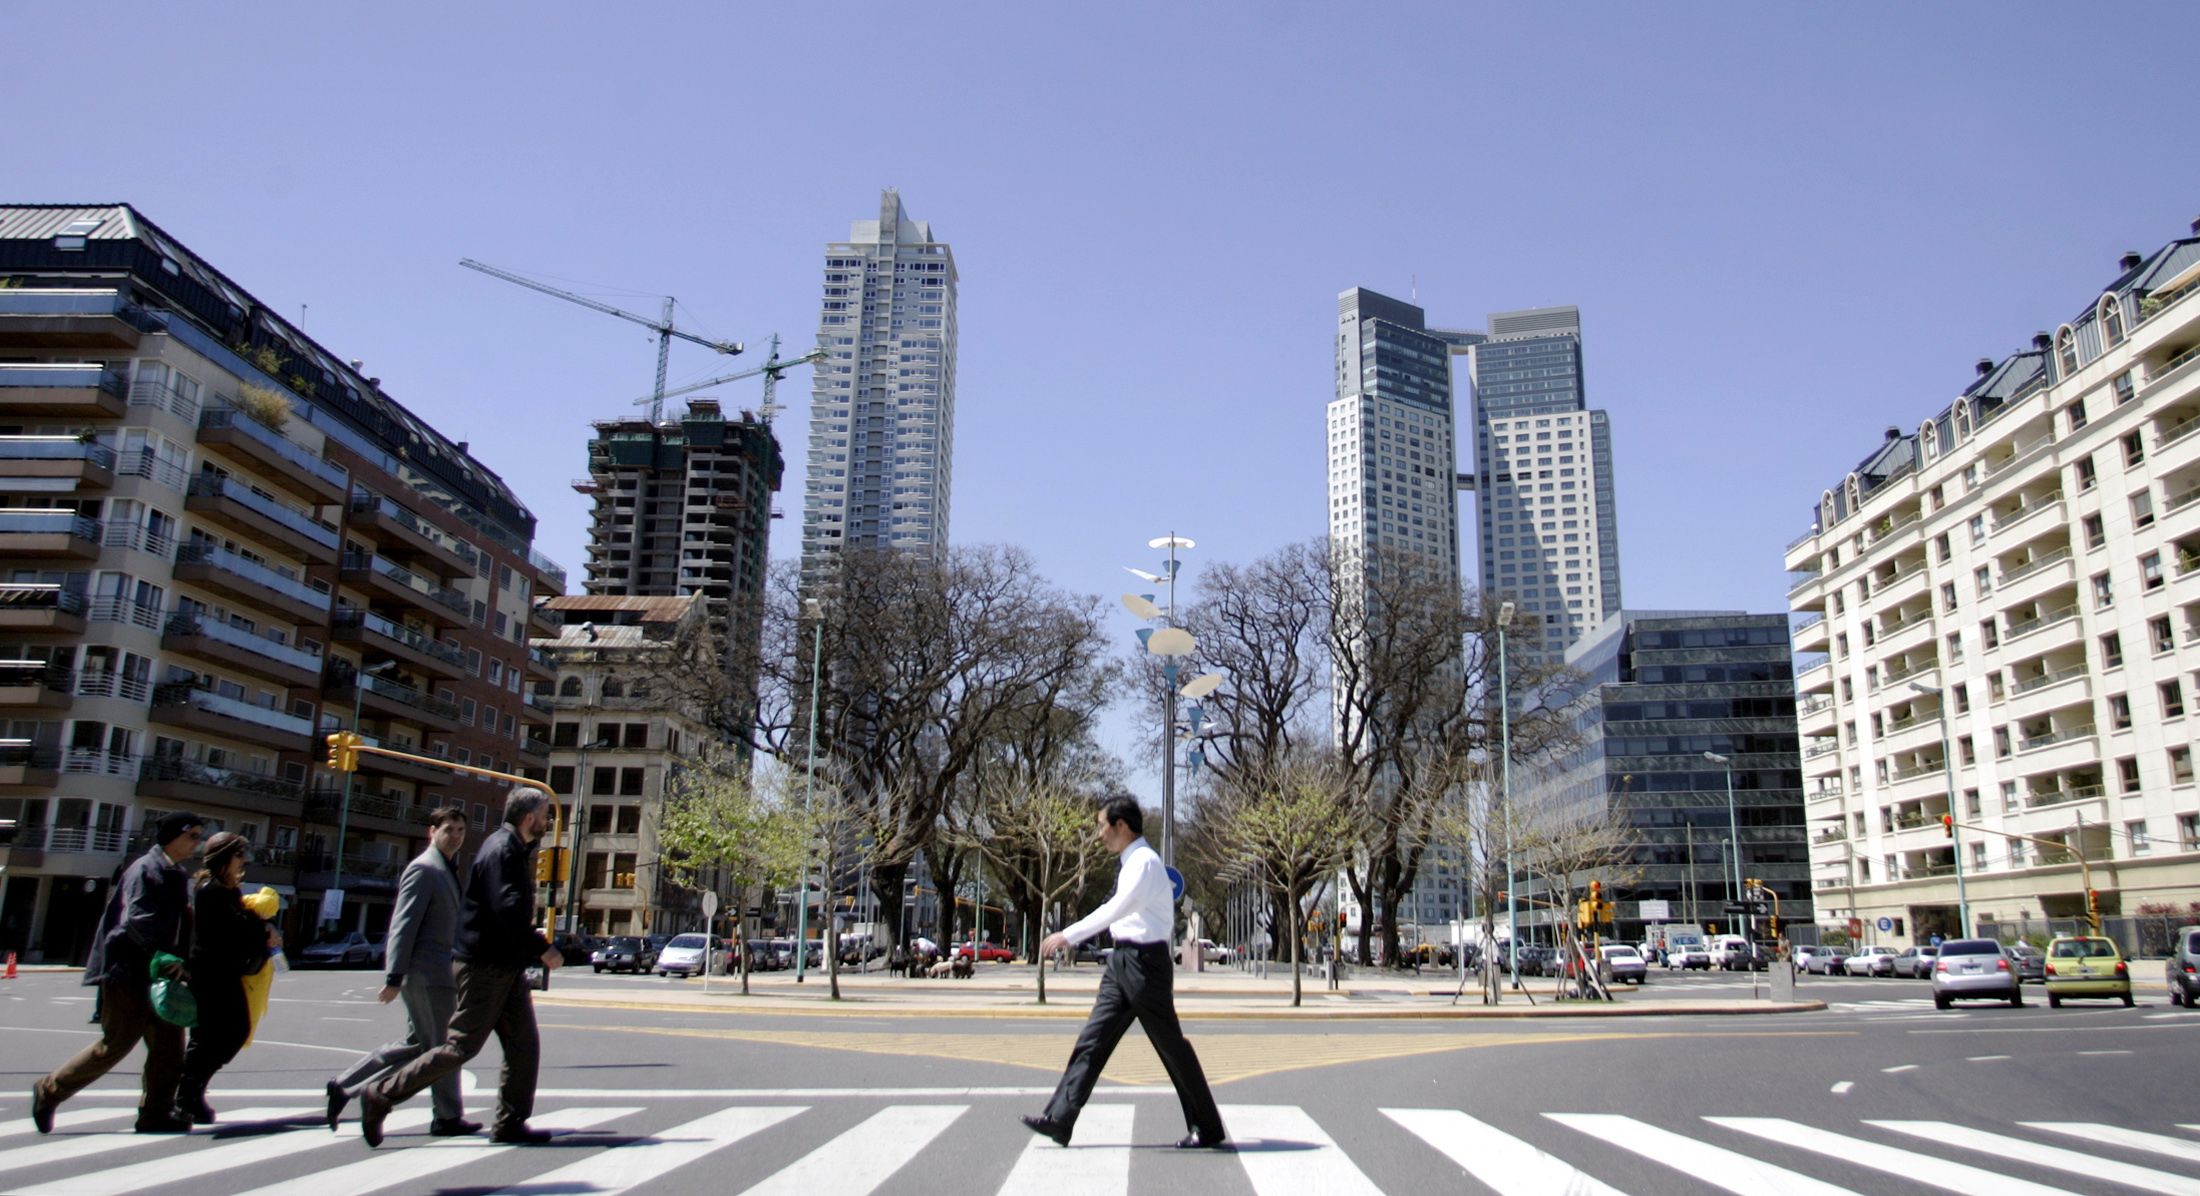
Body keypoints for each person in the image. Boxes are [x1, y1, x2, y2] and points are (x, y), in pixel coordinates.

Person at [358, 787, 562, 1148]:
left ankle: (510, 1122)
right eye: (546, 814)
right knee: (461, 1046)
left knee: (524, 1045)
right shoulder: (502, 850)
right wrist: (541, 948)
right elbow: (507, 908)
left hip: (505, 965)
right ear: (529, 818)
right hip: (485, 966)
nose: (549, 821)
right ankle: (382, 1094)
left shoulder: (511, 848)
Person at [1023, 797, 1226, 1150]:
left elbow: (1115, 909)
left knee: (1171, 1049)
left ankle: (1206, 1126)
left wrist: (1066, 936)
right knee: (1093, 1040)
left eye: (1102, 825)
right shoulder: (1130, 862)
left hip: (1145, 966)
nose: (1099, 834)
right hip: (1122, 963)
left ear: (1121, 826)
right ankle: (1059, 1118)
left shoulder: (1145, 863)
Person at [31, 811, 204, 1135]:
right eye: (192, 835)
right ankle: (50, 1089)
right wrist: (168, 958)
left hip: (159, 972)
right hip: (128, 970)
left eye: (199, 835)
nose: (197, 842)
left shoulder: (174, 873)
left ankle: (156, 1113)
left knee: (169, 1045)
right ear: (172, 836)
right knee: (117, 1042)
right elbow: (137, 921)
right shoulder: (146, 869)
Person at [325, 807, 475, 1136]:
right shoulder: (424, 869)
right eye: (449, 829)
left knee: (416, 1045)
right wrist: (394, 975)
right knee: (444, 1047)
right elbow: (403, 924)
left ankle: (343, 1085)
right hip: (426, 972)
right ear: (431, 831)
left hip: (437, 972)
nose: (456, 836)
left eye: (461, 830)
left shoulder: (446, 869)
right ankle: (447, 1116)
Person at [174, 832, 279, 1123]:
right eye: (238, 855)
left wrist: (260, 927)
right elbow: (233, 929)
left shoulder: (226, 890)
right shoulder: (211, 891)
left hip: (223, 972)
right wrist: (263, 930)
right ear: (223, 858)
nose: (242, 860)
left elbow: (241, 924)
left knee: (217, 1035)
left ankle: (192, 1093)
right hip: (211, 974)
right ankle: (186, 1093)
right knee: (220, 1034)